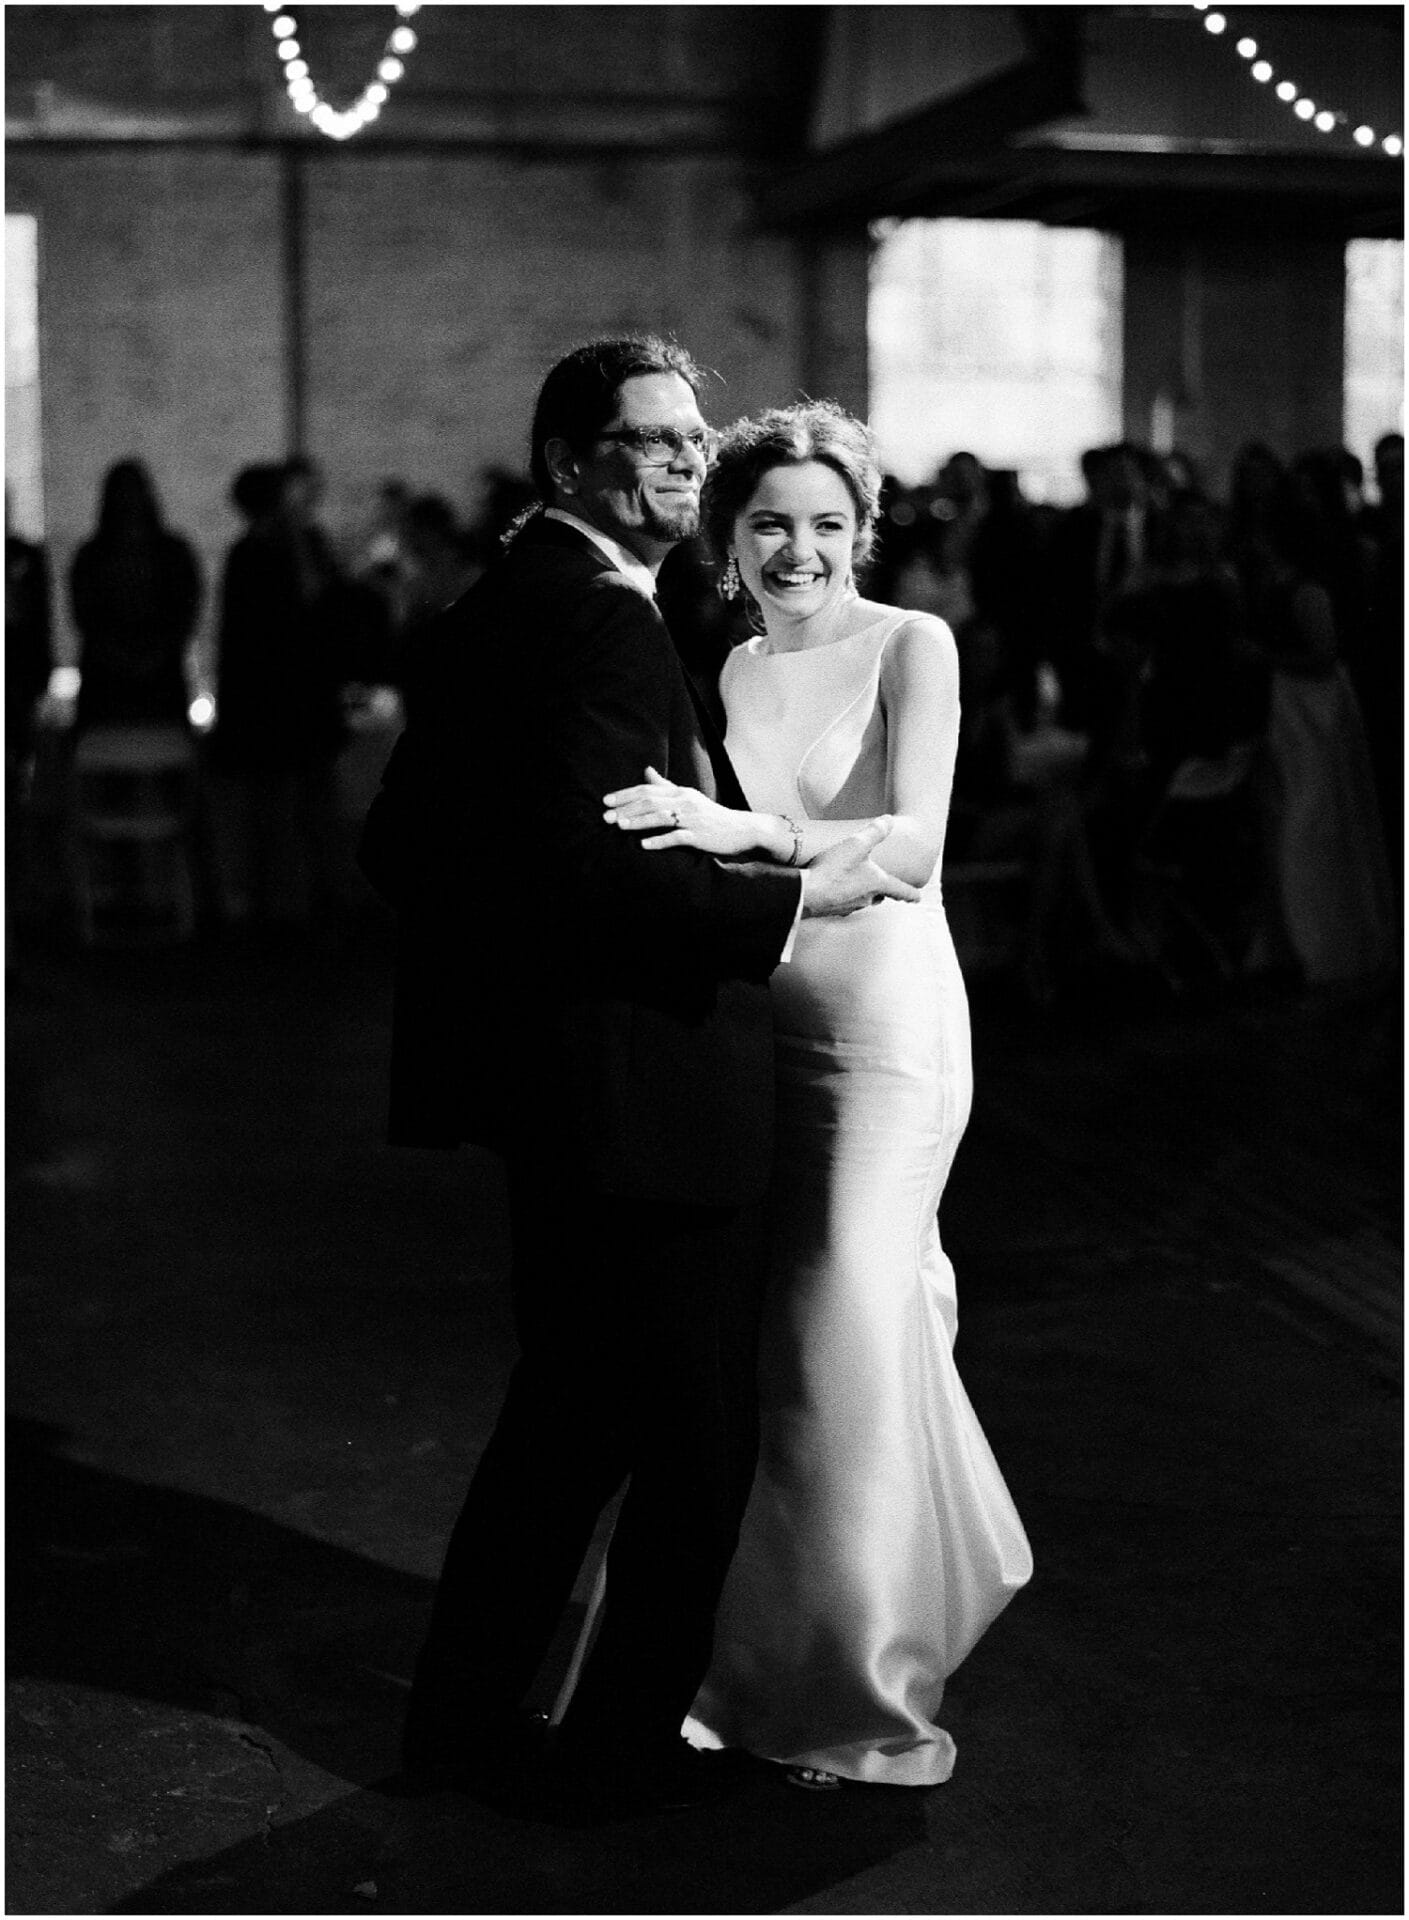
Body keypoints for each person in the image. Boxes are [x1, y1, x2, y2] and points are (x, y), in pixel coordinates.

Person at [357, 339, 916, 1816]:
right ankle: (611, 1758)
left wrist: (519, 1005)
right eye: (648, 439)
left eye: (691, 437)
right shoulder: (599, 617)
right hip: (647, 1095)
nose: (683, 459)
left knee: (569, 1419)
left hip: (566, 1095)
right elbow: (585, 865)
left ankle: (462, 1724)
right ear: (568, 461)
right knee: (693, 1445)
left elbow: (405, 843)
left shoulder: (509, 598)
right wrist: (786, 902)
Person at [601, 401, 1033, 1788]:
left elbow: (912, 850)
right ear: (727, 539)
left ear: (863, 531)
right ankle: (744, 1662)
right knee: (781, 1338)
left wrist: (742, 828)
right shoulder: (731, 666)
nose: (800, 550)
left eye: (827, 524)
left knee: (847, 1305)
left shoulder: (914, 645)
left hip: (889, 1025)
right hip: (768, 1014)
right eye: (771, 525)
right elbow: (724, 864)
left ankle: (859, 1683)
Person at [68, 459, 202, 732]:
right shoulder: (172, 552)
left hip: (120, 681)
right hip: (140, 679)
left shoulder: (92, 555)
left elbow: (185, 611)